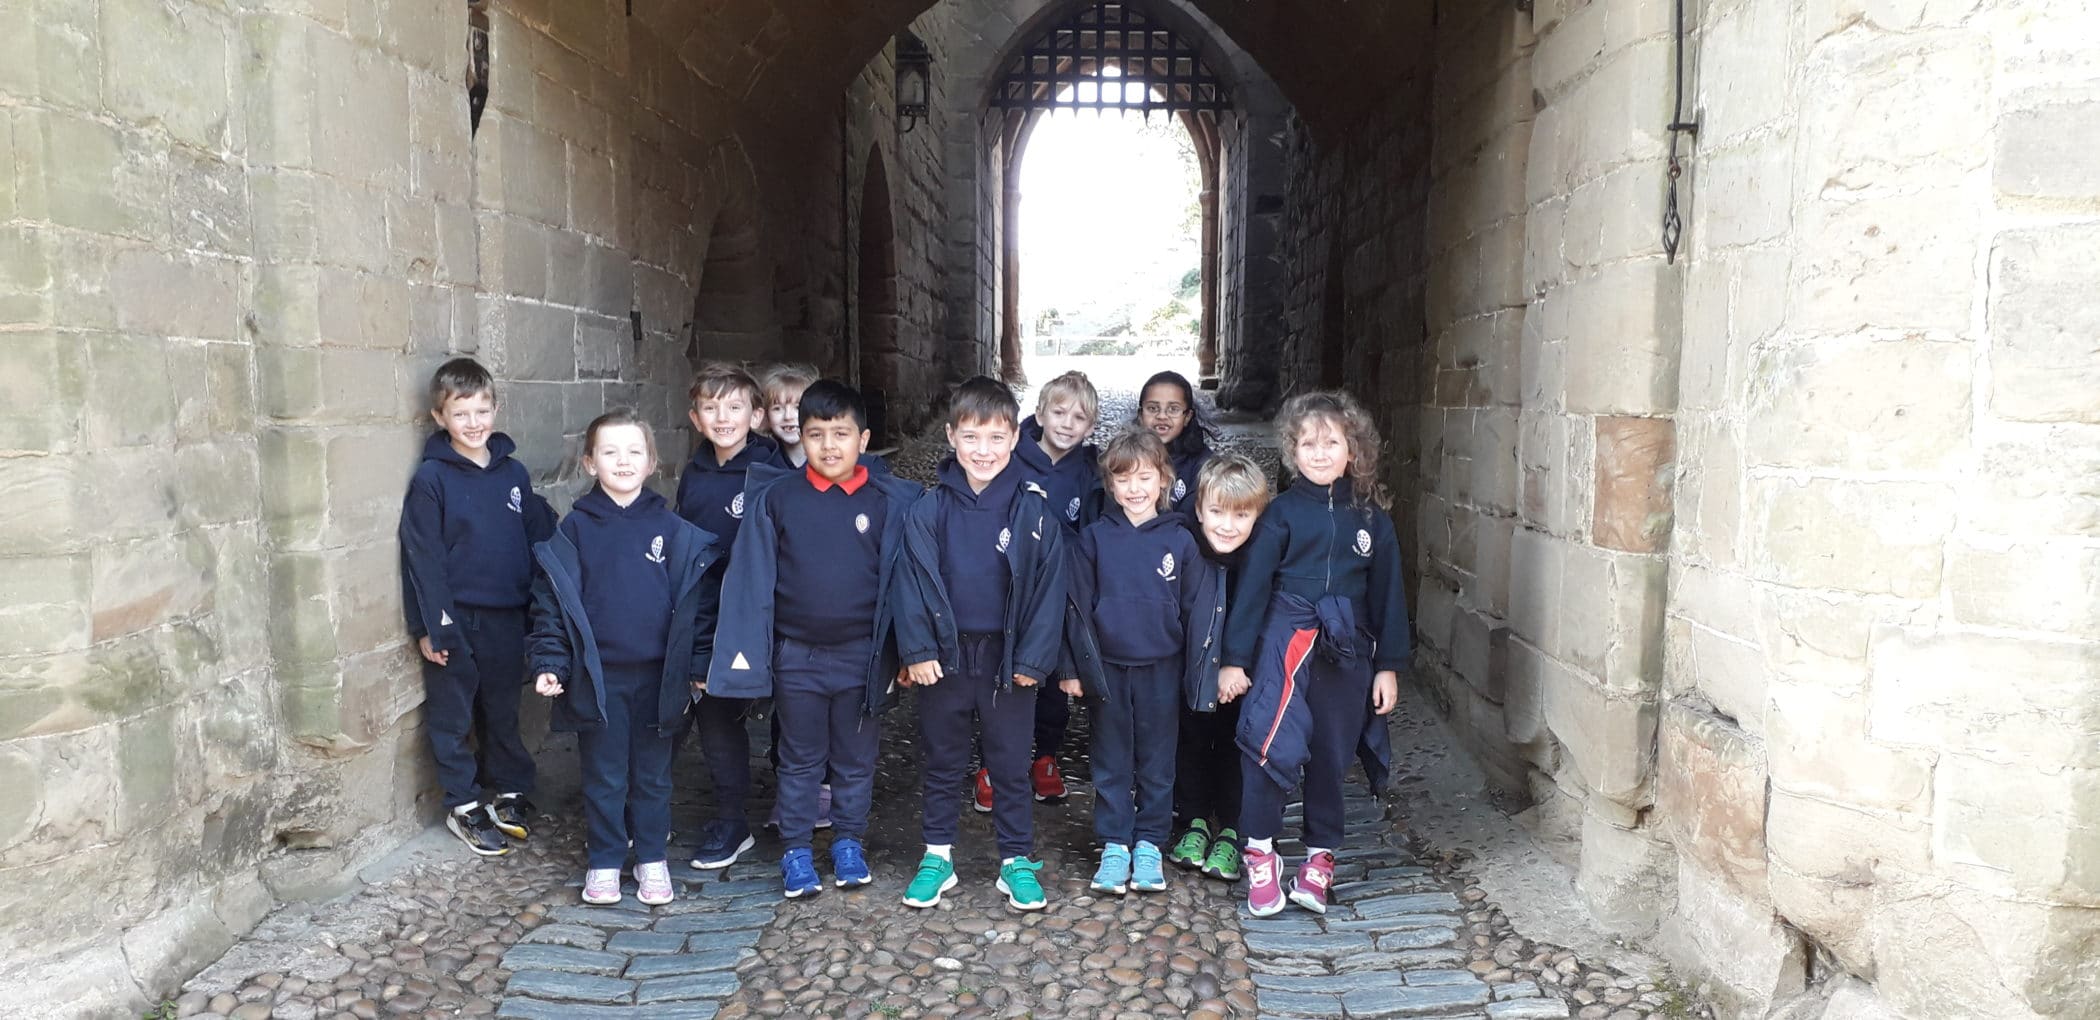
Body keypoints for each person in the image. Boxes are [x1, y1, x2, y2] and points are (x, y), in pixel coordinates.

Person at [709, 381, 924, 898]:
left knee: (855, 760)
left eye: (841, 434)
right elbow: (752, 581)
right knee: (800, 759)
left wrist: (907, 650)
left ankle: (849, 842)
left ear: (864, 440)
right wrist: (752, 657)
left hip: (862, 658)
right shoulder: (778, 500)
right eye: (816, 434)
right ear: (800, 438)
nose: (829, 446)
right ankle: (796, 850)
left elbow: (909, 583)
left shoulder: (889, 502)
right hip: (797, 656)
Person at [1221, 391, 1409, 916]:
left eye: (1332, 443)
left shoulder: (1372, 521)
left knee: (1331, 752)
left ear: (1353, 449)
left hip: (1346, 652)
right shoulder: (1279, 515)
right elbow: (1252, 590)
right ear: (1292, 450)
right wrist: (1235, 659)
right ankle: (1261, 851)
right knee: (1269, 743)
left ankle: (1320, 857)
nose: (1320, 453)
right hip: (1284, 645)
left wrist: (1388, 667)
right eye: (1308, 444)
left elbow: (1389, 598)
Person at [529, 410, 720, 906]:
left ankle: (652, 857)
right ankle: (606, 859)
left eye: (635, 451)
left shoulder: (673, 531)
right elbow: (552, 607)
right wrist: (551, 664)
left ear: (652, 462)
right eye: (610, 452)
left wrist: (698, 666)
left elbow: (697, 610)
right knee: (605, 776)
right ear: (590, 463)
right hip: (599, 680)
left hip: (659, 679)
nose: (623, 461)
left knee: (653, 776)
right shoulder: (574, 531)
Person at [892, 376, 1069, 912]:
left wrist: (1034, 659)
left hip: (1006, 658)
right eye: (971, 437)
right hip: (945, 659)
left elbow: (1050, 589)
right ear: (951, 437)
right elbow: (910, 580)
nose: (983, 450)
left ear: (1015, 438)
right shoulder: (929, 509)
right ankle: (937, 856)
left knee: (1011, 763)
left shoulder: (1033, 512)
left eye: (996, 438)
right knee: (943, 759)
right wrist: (918, 650)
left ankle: (1015, 859)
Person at [398, 357, 554, 857]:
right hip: (455, 619)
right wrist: (430, 626)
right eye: (460, 413)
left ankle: (510, 788)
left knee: (503, 708)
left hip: (506, 613)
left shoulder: (513, 473)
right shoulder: (432, 479)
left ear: (495, 409)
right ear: (439, 417)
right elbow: (422, 558)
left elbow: (537, 537)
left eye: (481, 411)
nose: (473, 423)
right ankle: (463, 802)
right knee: (453, 714)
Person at [1058, 431, 1215, 895]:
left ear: (1164, 479)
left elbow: (1196, 612)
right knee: (1110, 758)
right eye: (1124, 479)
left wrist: (1198, 674)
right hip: (1107, 668)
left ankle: (1149, 842)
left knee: (1158, 760)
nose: (1135, 488)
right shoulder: (1093, 540)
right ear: (1110, 484)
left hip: (1162, 668)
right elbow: (1075, 608)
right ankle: (1114, 844)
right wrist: (1071, 668)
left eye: (1145, 477)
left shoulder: (1181, 542)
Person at [674, 362, 783, 870]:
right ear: (696, 418)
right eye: (711, 408)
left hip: (753, 611)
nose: (723, 418)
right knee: (707, 715)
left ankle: (799, 816)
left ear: (756, 416)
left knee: (784, 720)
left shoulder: (770, 474)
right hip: (702, 612)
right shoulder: (694, 474)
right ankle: (727, 819)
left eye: (735, 407)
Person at [988, 370, 1103, 810]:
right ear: (1039, 414)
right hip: (1013, 582)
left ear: (1091, 425)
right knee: (1006, 671)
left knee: (1055, 676)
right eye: (1059, 412)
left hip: (1062, 588)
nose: (1067, 423)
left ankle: (1046, 755)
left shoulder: (1088, 472)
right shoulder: (1011, 458)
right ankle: (995, 761)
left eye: (1079, 417)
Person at [1166, 452, 1271, 881]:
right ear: (1198, 510)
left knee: (1234, 745)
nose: (1227, 526)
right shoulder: (1183, 547)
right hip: (1192, 667)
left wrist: (1239, 664)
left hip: (1242, 676)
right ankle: (1193, 820)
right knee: (1190, 740)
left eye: (1241, 515)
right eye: (1217, 513)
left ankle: (1230, 828)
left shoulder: (1262, 558)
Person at [1134, 370, 1219, 514]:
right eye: (1153, 408)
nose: (1162, 416)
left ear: (1187, 417)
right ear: (1141, 415)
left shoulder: (1203, 465)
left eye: (1173, 409)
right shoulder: (1124, 456)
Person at [758, 364, 819, 468]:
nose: (788, 416)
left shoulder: (832, 460)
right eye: (777, 408)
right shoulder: (762, 462)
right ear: (766, 415)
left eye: (798, 407)